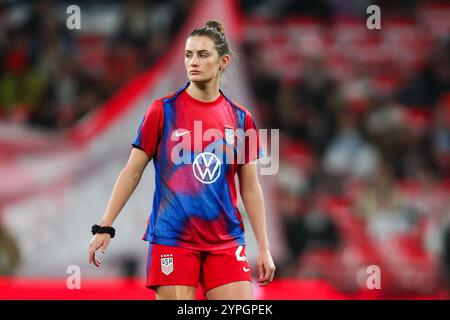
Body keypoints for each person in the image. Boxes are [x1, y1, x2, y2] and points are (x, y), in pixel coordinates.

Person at [88, 20, 276, 300]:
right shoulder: (162, 111)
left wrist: (263, 246)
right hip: (174, 240)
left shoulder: (240, 119)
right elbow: (132, 172)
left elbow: (250, 187)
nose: (193, 62)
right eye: (189, 54)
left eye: (203, 55)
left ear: (223, 61)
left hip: (225, 242)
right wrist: (105, 225)